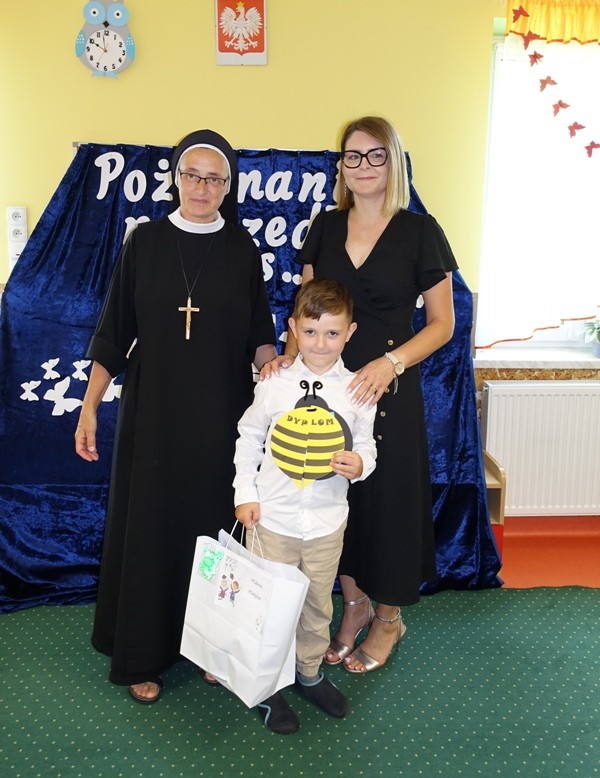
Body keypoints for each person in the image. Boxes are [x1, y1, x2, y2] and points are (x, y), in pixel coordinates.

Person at [74, 129, 277, 704]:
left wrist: (279, 374)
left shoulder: (241, 249)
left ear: (228, 187)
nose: (202, 187)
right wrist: (89, 406)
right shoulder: (145, 242)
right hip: (155, 416)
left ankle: (211, 647)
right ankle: (143, 653)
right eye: (193, 175)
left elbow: (259, 336)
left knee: (215, 532)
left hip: (221, 418)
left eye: (215, 178)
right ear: (176, 179)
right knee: (153, 529)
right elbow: (114, 333)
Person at [263, 116, 458, 674]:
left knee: (388, 508)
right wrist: (288, 359)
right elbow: (306, 307)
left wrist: (390, 362)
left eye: (376, 155)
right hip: (327, 389)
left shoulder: (421, 231)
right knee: (338, 500)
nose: (364, 166)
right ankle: (354, 607)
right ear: (341, 167)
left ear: (393, 162)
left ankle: (389, 619)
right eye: (353, 156)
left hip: (388, 387)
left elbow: (443, 324)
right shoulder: (325, 227)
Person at [234, 278, 377, 734]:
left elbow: (367, 444)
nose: (320, 343)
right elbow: (249, 437)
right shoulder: (273, 382)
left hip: (325, 523)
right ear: (293, 328)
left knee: (316, 604)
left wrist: (361, 464)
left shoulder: (356, 389)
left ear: (350, 333)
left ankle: (308, 671)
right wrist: (244, 493)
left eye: (332, 333)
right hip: (271, 519)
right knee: (269, 604)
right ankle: (266, 685)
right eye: (310, 332)